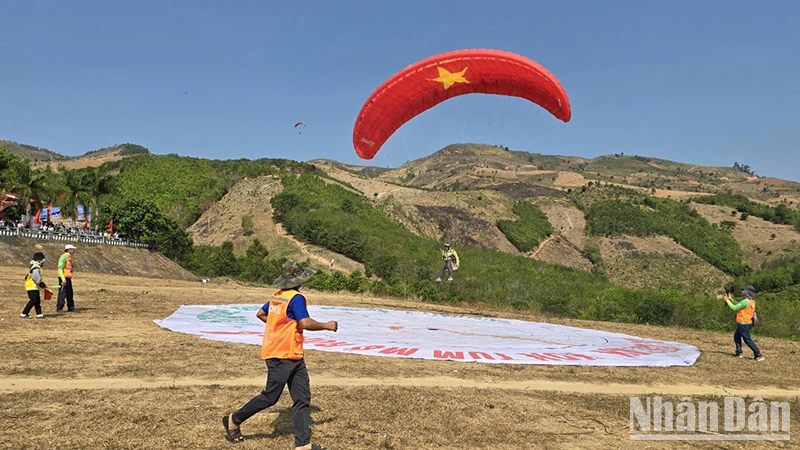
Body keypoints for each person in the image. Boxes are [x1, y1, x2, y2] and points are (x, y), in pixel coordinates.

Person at [222, 260, 337, 450]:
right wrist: (326, 325)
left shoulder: (278, 297)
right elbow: (305, 323)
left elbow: (261, 314)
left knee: (301, 398)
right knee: (270, 396)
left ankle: (303, 445)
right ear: (299, 280)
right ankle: (234, 420)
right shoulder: (296, 298)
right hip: (281, 355)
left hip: (293, 354)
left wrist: (279, 325)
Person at [723, 285, 764, 361]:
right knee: (736, 336)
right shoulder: (751, 301)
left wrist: (727, 300)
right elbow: (740, 305)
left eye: (743, 290)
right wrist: (731, 299)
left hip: (744, 323)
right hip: (748, 322)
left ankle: (758, 355)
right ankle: (739, 352)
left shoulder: (745, 301)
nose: (741, 291)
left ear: (746, 292)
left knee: (747, 340)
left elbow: (734, 308)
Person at [21, 252, 49, 319]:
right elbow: (35, 277)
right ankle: (24, 313)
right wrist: (40, 283)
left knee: (37, 301)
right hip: (31, 286)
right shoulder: (36, 267)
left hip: (34, 287)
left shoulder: (36, 266)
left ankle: (39, 314)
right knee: (33, 300)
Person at [56, 244, 77, 312]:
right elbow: (60, 269)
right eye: (73, 249)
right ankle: (59, 307)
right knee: (63, 292)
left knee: (69, 292)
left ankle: (71, 307)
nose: (74, 251)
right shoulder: (63, 257)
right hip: (64, 277)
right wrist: (63, 279)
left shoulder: (68, 258)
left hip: (68, 277)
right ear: (69, 250)